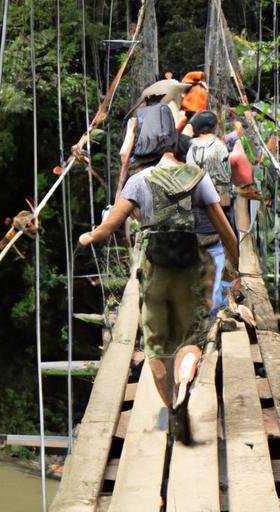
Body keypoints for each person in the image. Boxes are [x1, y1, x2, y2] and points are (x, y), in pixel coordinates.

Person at [79, 145, 238, 411]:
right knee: (191, 337)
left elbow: (109, 226)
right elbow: (225, 230)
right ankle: (187, 373)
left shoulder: (138, 180)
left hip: (156, 269)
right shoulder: (198, 177)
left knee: (156, 344)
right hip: (190, 266)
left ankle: (172, 405)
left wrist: (89, 237)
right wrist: (235, 266)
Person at [186, 110, 234, 316]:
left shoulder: (190, 147)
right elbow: (227, 175)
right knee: (222, 246)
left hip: (196, 205)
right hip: (221, 203)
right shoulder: (221, 146)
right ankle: (217, 302)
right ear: (214, 127)